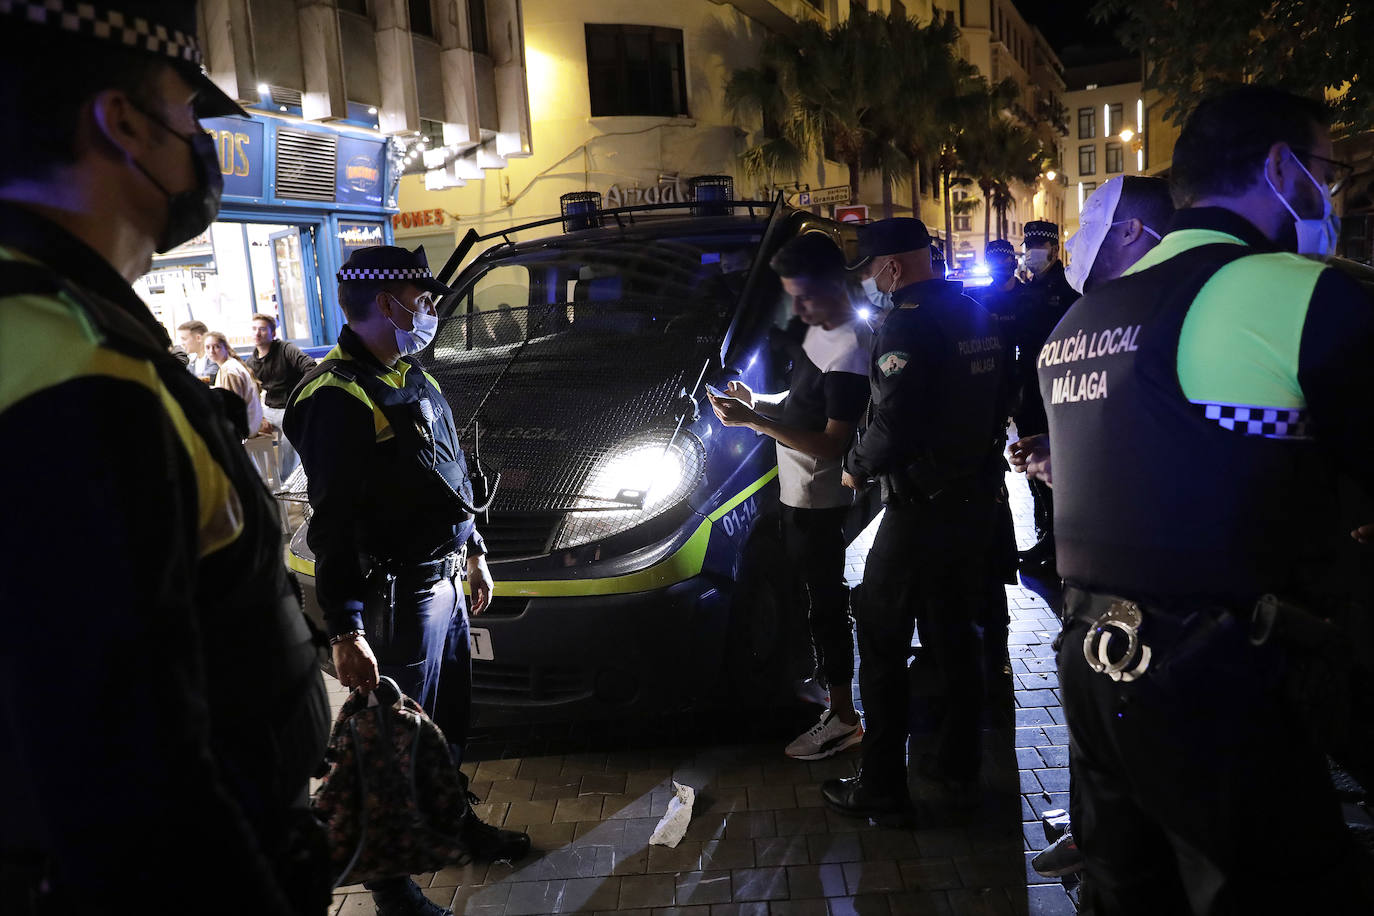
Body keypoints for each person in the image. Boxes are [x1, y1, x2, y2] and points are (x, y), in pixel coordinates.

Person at [0, 3, 331, 914]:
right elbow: (123, 772)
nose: (202, 147)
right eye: (191, 115)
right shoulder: (71, 367)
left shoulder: (72, 325)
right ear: (123, 123)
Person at [1038, 86, 1374, 913]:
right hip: (1227, 681)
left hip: (1093, 676)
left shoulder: (1078, 321)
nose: (1327, 192)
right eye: (1325, 170)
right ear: (1279, 166)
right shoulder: (1301, 294)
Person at [284, 245, 529, 916]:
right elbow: (331, 522)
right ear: (384, 302)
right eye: (420, 300)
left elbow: (453, 471)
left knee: (447, 724)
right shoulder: (334, 396)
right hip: (396, 595)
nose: (430, 310)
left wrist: (474, 551)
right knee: (391, 743)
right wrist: (345, 629)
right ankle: (394, 890)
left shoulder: (412, 375)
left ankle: (455, 823)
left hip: (444, 581)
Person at [1006, 175, 1174, 879]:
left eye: (1087, 239)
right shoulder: (1086, 317)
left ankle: (1126, 847)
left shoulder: (1170, 312)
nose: (1071, 253)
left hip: (1163, 593)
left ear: (1135, 232)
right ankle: (1099, 838)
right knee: (1101, 734)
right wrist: (1056, 461)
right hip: (1094, 588)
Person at [819, 218, 1005, 823]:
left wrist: (853, 467)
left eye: (871, 271)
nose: (868, 283)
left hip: (920, 511)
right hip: (972, 504)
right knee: (955, 639)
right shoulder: (975, 312)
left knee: (879, 640)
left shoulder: (906, 322)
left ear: (893, 268)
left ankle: (881, 787)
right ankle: (956, 767)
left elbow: (892, 424)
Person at [707, 232, 870, 761]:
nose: (796, 308)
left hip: (822, 503)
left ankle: (845, 719)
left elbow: (829, 442)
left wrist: (756, 420)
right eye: (790, 298)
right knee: (812, 604)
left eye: (803, 296)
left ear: (832, 283)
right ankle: (829, 698)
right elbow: (801, 402)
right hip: (796, 494)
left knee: (827, 607)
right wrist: (762, 401)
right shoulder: (820, 332)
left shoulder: (849, 347)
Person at [1013, 220, 1078, 575]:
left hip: (1056, 386)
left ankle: (1056, 546)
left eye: (1038, 246)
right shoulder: (1030, 287)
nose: (1031, 252)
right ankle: (1045, 536)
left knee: (1055, 467)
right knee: (1032, 466)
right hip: (1030, 387)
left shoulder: (1068, 287)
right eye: (1027, 245)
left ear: (1054, 248)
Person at [245, 311, 315, 477]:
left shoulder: (286, 349)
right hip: (269, 410)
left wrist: (302, 397)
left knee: (288, 443)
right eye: (254, 329)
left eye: (262, 329)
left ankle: (288, 482)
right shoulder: (251, 361)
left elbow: (311, 367)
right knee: (243, 432)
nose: (257, 333)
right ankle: (259, 481)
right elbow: (252, 392)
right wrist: (260, 418)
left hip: (291, 408)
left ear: (273, 333)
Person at [206, 330, 266, 439]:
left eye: (216, 347)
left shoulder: (229, 371)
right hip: (250, 423)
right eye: (208, 347)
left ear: (225, 347)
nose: (211, 351)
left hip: (246, 426)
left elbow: (232, 408)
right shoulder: (230, 364)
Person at [177, 318, 218, 383]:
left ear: (198, 338)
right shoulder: (192, 362)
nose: (182, 343)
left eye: (184, 339)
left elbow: (208, 379)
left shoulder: (214, 358)